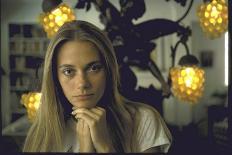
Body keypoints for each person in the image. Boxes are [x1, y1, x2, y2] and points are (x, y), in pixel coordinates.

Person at [23, 20, 172, 153]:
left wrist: (105, 147)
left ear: (108, 70)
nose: (82, 83)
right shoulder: (42, 135)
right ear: (55, 77)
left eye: (94, 68)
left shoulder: (142, 119)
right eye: (68, 71)